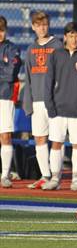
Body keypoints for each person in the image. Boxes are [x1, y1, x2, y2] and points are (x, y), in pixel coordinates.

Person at [42, 22, 77, 191]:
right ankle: (55, 178)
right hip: (58, 109)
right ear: (65, 37)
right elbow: (48, 82)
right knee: (56, 143)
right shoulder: (56, 54)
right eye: (71, 36)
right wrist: (50, 106)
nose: (74, 39)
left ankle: (75, 180)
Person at [23, 11, 63, 189]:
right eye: (38, 25)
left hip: (53, 100)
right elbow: (28, 77)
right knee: (40, 139)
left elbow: (63, 73)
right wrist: (28, 101)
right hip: (37, 101)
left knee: (56, 139)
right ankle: (45, 176)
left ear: (49, 25)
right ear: (33, 27)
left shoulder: (57, 45)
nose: (42, 28)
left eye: (44, 24)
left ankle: (56, 176)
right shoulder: (31, 49)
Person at [0, 16, 21, 188]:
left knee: (5, 136)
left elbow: (11, 73)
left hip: (5, 97)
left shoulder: (12, 48)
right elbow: (5, 71)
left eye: (1, 30)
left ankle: (5, 175)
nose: (0, 33)